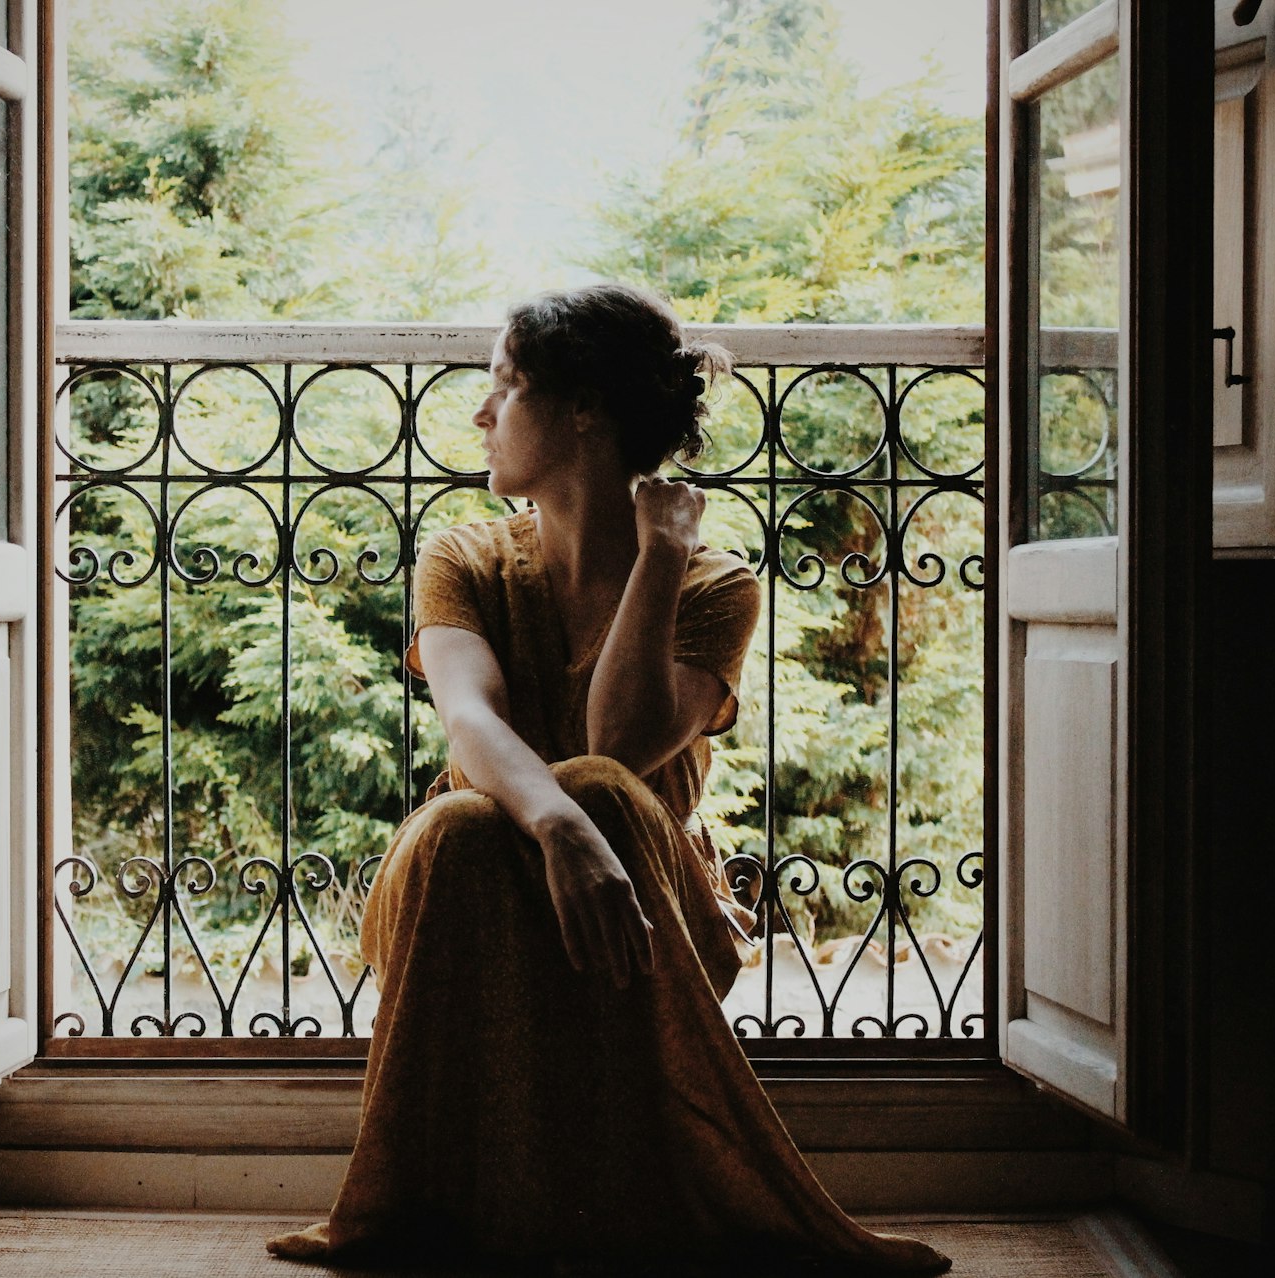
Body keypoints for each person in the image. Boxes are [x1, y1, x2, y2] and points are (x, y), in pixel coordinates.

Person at [267, 283, 949, 1275]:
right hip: (475, 878)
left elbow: (617, 744)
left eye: (505, 384)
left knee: (597, 787)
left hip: (641, 899)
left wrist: (661, 560)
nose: (479, 412)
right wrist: (554, 826)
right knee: (462, 826)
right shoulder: (464, 555)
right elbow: (469, 720)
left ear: (583, 407)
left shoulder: (713, 584)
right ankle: (434, 1215)